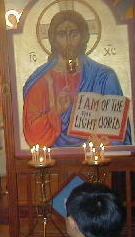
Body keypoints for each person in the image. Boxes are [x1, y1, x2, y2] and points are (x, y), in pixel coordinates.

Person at [22, 10, 131, 147]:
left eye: (74, 34)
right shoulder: (41, 80)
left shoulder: (104, 76)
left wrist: (108, 143)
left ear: (83, 36)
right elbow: (33, 133)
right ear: (53, 39)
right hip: (55, 161)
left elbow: (118, 130)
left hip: (95, 157)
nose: (69, 41)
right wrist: (57, 111)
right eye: (62, 34)